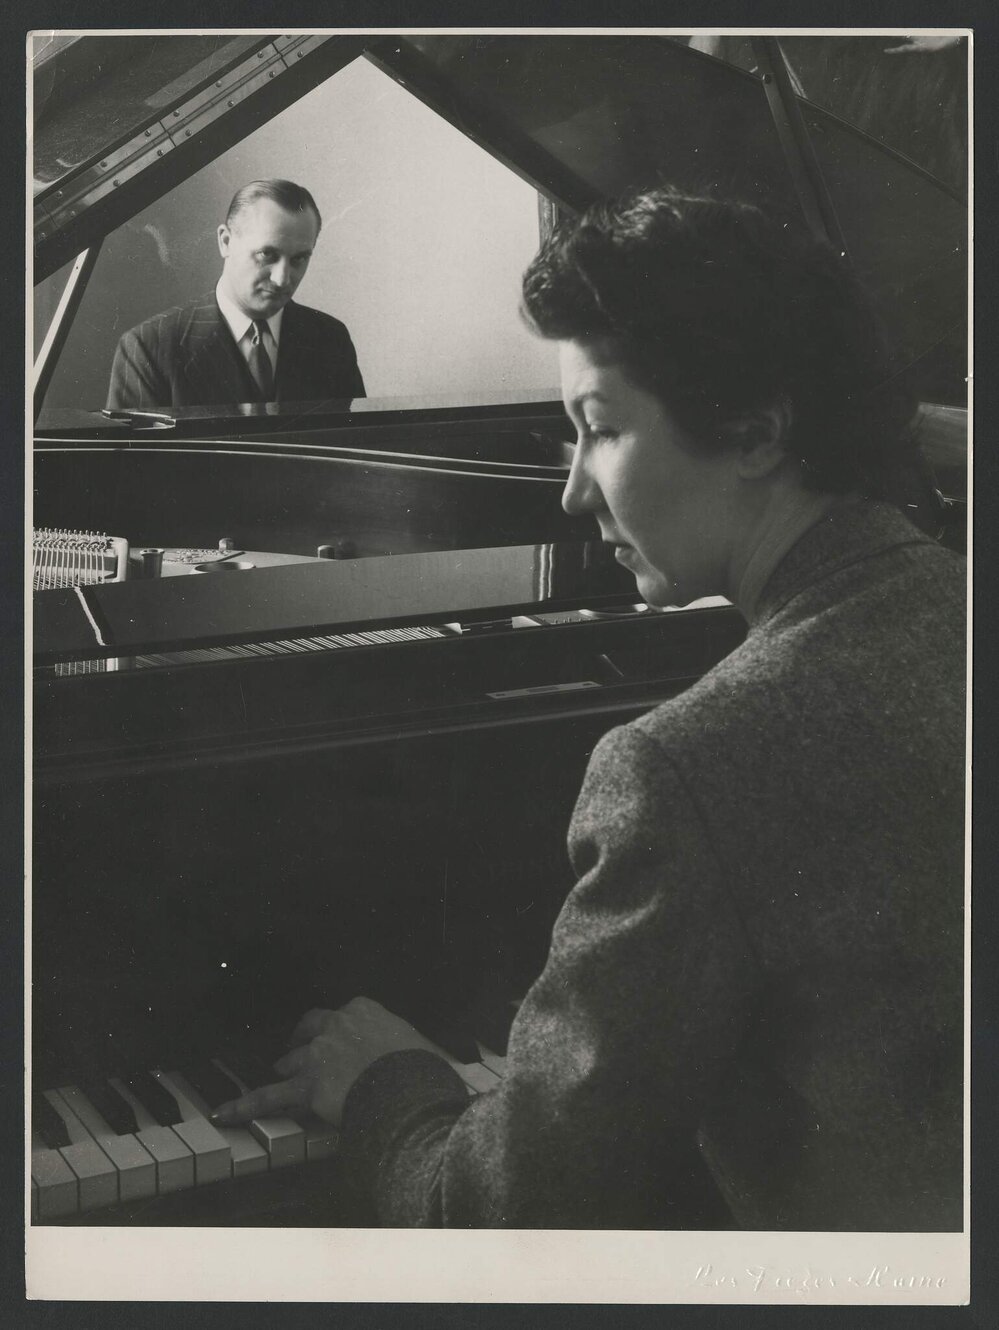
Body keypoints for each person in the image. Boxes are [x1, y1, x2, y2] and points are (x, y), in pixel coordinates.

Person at [212, 187, 965, 1231]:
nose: (571, 490)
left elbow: (497, 1214)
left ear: (755, 433)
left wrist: (389, 1080)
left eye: (598, 430)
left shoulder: (689, 768)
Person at [106, 179, 364, 410]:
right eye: (267, 254)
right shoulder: (149, 347)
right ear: (225, 241)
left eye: (299, 259)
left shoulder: (332, 340)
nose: (282, 279)